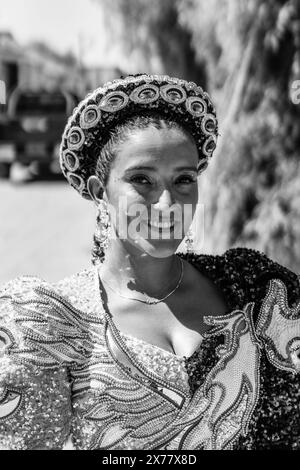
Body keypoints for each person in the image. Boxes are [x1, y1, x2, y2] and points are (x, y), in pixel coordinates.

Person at [0, 73, 299, 450]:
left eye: (183, 180)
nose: (166, 204)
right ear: (99, 192)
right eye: (142, 180)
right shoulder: (53, 323)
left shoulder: (257, 287)